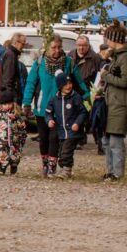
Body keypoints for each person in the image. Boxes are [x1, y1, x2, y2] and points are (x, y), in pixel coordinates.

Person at [22, 36, 88, 177]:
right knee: (44, 139)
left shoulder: (68, 63)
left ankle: (52, 167)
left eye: (59, 47)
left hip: (62, 108)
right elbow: (31, 83)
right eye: (53, 47)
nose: (57, 50)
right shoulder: (40, 63)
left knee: (54, 138)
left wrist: (87, 96)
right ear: (46, 48)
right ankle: (45, 165)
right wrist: (27, 103)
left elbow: (79, 82)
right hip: (43, 108)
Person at [99, 22, 127, 182]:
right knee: (106, 140)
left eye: (108, 39)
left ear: (114, 39)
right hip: (111, 102)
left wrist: (105, 75)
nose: (106, 43)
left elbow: (125, 80)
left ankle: (117, 173)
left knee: (115, 140)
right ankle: (110, 170)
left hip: (120, 104)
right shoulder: (117, 56)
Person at [45, 71, 87, 179]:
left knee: (66, 151)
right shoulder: (55, 99)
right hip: (62, 131)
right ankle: (64, 169)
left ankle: (66, 170)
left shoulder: (75, 97)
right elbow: (48, 112)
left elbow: (83, 112)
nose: (68, 86)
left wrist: (77, 123)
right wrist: (49, 120)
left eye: (70, 83)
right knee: (61, 151)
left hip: (73, 131)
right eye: (65, 84)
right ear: (60, 86)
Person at [0, 99, 27, 175]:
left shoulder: (17, 114)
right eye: (4, 104)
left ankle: (14, 164)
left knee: (15, 153)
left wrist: (19, 121)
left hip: (15, 138)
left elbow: (22, 125)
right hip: (1, 137)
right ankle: (1, 168)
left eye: (9, 104)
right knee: (1, 152)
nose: (7, 106)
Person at [88, 45, 112, 154]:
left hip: (105, 98)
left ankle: (102, 144)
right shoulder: (99, 62)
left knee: (102, 122)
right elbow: (97, 79)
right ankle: (100, 143)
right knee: (97, 122)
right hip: (98, 97)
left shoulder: (109, 64)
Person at [0, 32, 26, 107]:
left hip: (7, 92)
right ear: (16, 42)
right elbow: (8, 77)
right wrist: (10, 97)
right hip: (8, 94)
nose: (23, 46)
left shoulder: (11, 54)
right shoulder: (11, 55)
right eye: (23, 44)